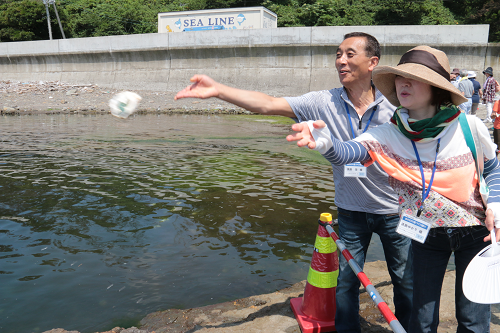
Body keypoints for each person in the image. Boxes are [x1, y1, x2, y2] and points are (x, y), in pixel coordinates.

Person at [175, 32, 413, 332]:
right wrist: (219, 90)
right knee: (346, 283)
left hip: (396, 210)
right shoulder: (322, 101)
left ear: (372, 62)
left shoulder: (398, 105)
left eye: (350, 54)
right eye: (338, 54)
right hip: (351, 210)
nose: (341, 60)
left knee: (405, 280)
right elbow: (267, 104)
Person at [288, 45, 500, 333]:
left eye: (415, 77)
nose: (404, 83)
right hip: (426, 234)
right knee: (421, 319)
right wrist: (327, 143)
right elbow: (349, 152)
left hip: (478, 232)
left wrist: (497, 206)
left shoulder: (469, 126)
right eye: (400, 77)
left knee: (473, 319)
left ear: (437, 88)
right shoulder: (389, 132)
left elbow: (491, 167)